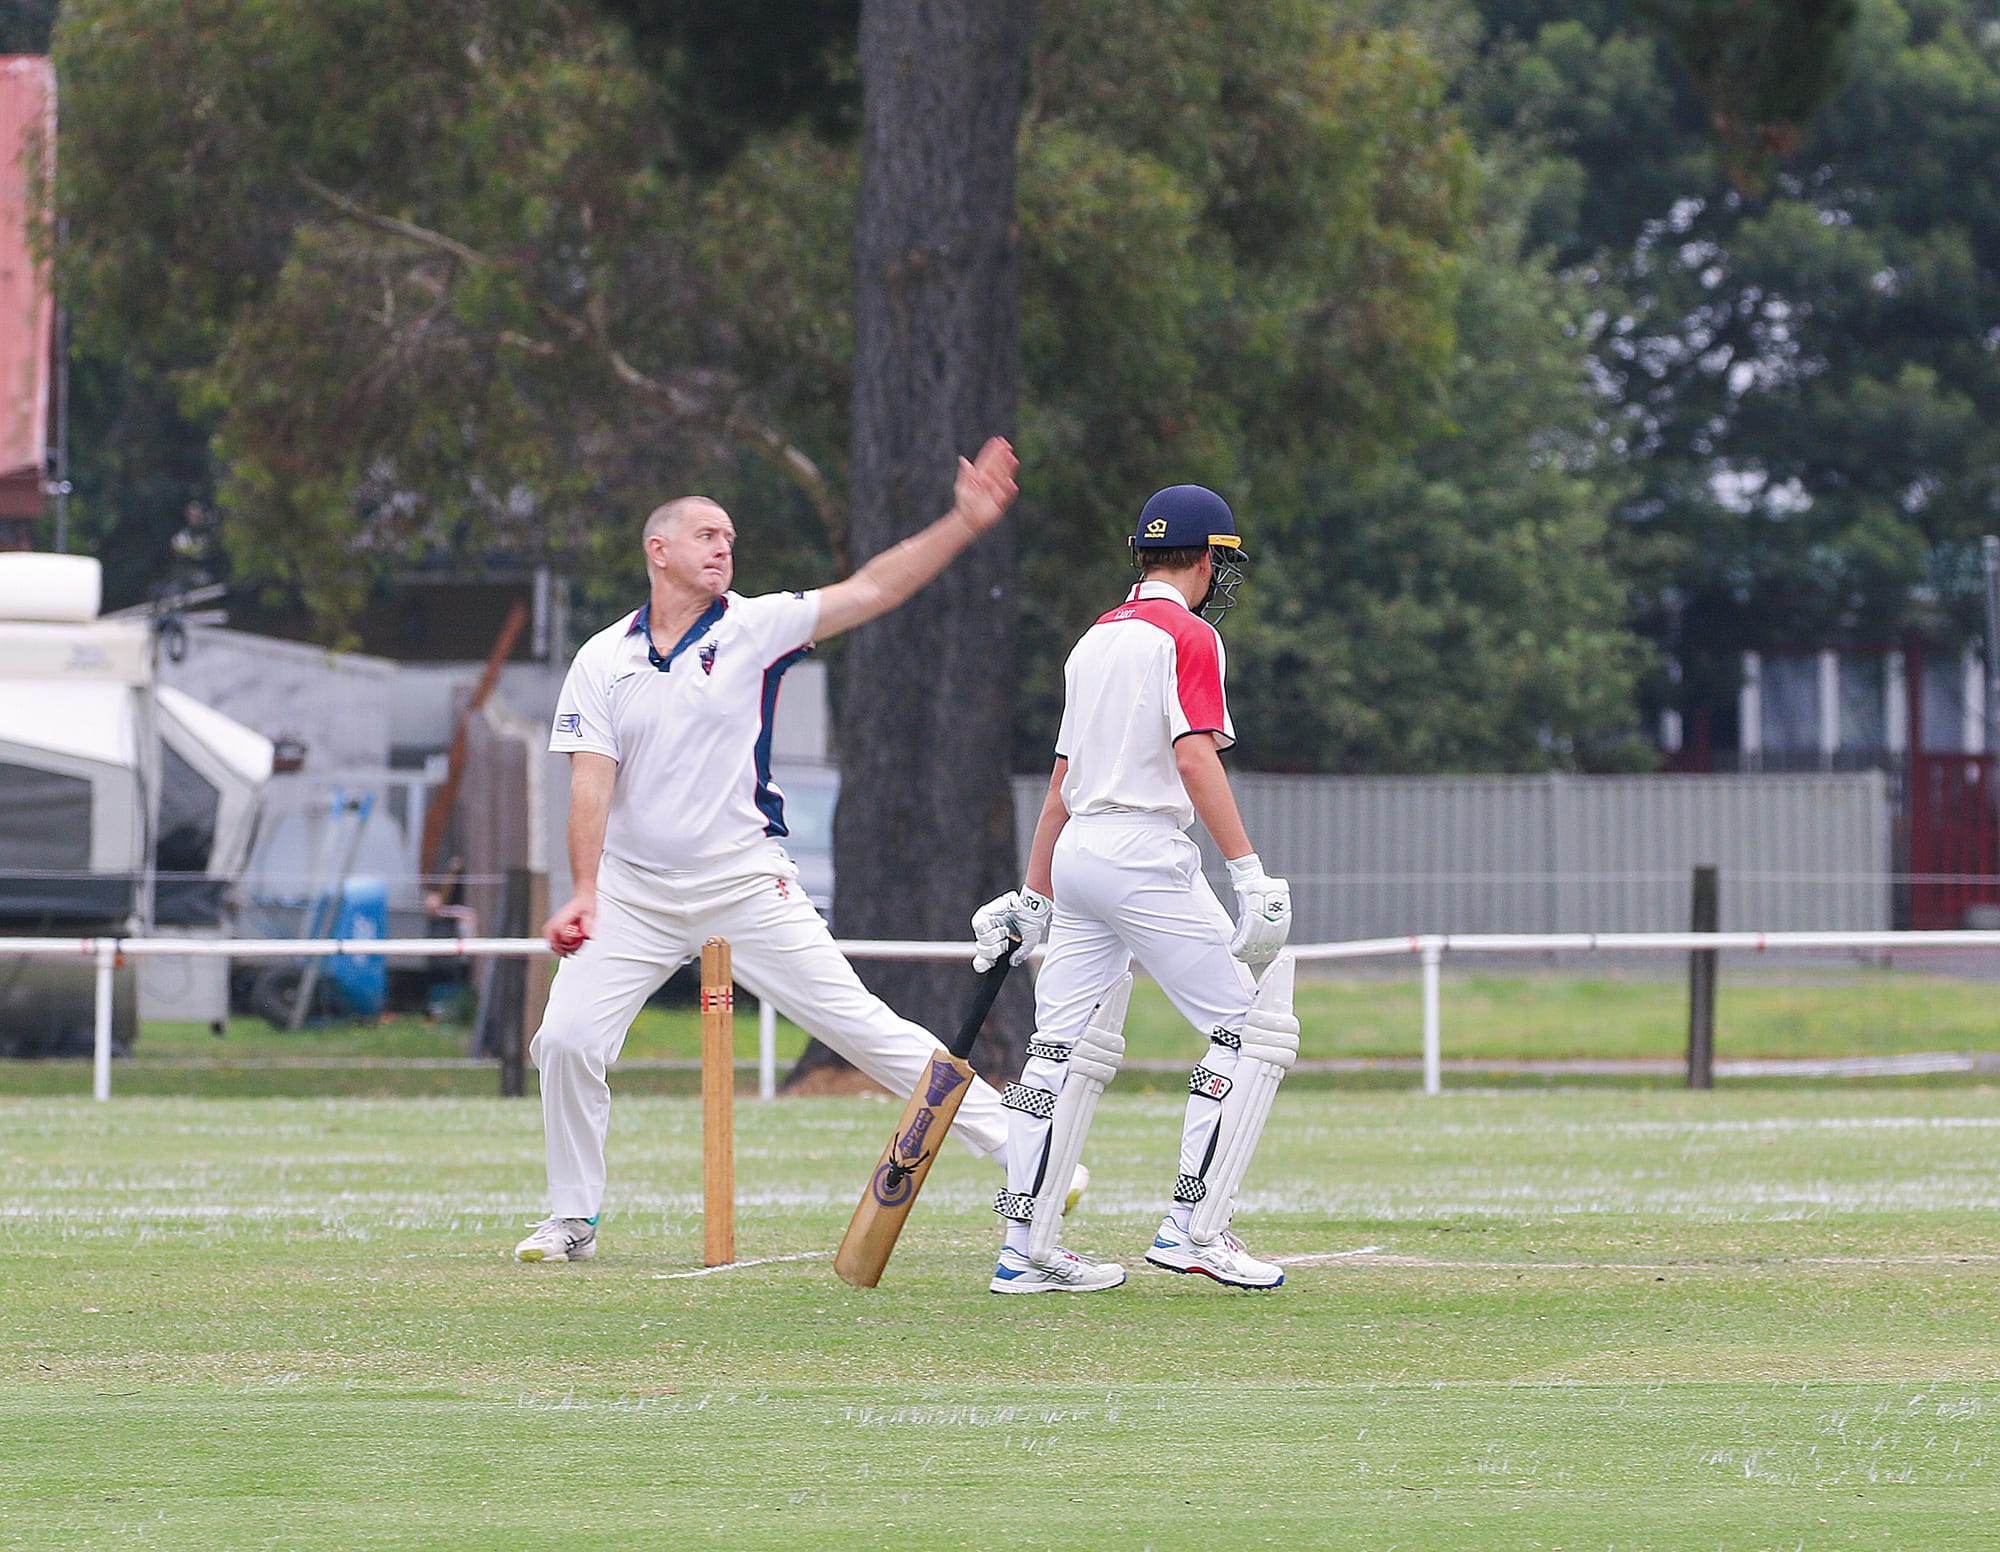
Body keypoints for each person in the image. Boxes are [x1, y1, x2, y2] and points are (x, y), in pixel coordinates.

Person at [514, 439, 1025, 1263]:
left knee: (857, 1025)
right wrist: (583, 890)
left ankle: (1021, 1152)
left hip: (744, 882)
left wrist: (962, 523)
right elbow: (590, 782)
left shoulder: (757, 625)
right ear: (660, 550)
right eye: (708, 535)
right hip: (633, 893)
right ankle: (572, 1219)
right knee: (566, 1041)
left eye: (730, 539)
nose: (724, 548)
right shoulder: (602, 659)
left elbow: (873, 587)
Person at [970, 484, 1295, 1294]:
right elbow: (1194, 759)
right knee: (1249, 1032)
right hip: (1144, 852)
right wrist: (1247, 870)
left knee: (1054, 1052)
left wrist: (1034, 894)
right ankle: (1194, 1228)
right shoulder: (1187, 636)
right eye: (1224, 560)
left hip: (1079, 848)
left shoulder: (1094, 639)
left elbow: (1059, 786)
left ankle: (1025, 1250)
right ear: (1207, 557)